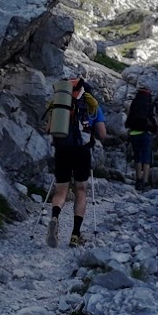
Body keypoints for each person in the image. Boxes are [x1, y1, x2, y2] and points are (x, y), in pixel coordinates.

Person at [45, 76, 106, 248]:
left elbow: (48, 129)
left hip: (62, 150)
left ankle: (55, 217)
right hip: (82, 152)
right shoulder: (91, 104)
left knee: (61, 191)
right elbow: (102, 134)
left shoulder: (59, 103)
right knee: (81, 191)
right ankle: (75, 234)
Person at [125, 86, 158, 191]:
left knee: (137, 156)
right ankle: (145, 181)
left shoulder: (134, 103)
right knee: (146, 157)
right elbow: (153, 117)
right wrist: (155, 128)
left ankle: (138, 180)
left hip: (134, 133)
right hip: (146, 133)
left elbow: (129, 118)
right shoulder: (149, 104)